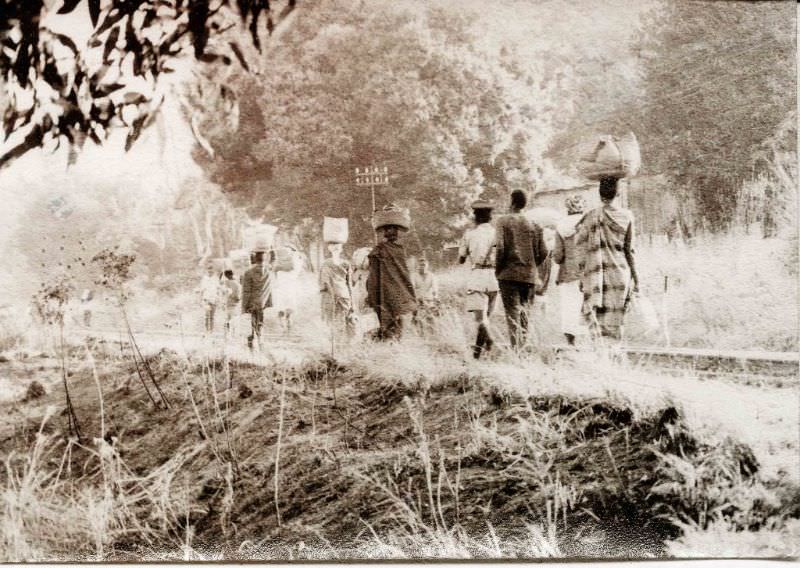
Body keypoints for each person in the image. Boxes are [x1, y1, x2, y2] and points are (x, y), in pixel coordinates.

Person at [575, 177, 639, 342]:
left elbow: (580, 247)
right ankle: (615, 357)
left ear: (599, 194)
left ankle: (600, 357)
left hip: (595, 275)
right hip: (619, 275)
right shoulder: (627, 216)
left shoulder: (591, 217)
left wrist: (582, 275)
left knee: (596, 320)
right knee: (616, 321)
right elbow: (630, 251)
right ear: (618, 193)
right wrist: (636, 279)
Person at [494, 189, 548, 350]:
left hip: (509, 275)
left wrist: (498, 269)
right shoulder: (535, 225)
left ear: (512, 201)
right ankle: (522, 349)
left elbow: (501, 248)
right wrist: (532, 264)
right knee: (525, 314)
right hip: (529, 276)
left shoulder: (502, 221)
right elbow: (544, 252)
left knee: (512, 314)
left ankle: (516, 352)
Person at [367, 205, 417, 341]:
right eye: (388, 229)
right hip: (394, 292)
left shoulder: (383, 250)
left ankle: (390, 343)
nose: (390, 232)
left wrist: (372, 296)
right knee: (395, 323)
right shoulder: (383, 250)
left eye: (392, 229)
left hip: (389, 293)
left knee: (392, 323)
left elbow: (402, 274)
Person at [458, 200, 499, 359]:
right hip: (494, 278)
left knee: (480, 320)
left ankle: (490, 342)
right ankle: (476, 354)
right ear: (490, 217)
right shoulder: (497, 234)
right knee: (486, 320)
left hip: (477, 278)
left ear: (475, 217)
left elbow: (461, 259)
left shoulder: (469, 235)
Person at [553, 195, 587, 346]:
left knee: (569, 308)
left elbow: (558, 257)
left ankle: (571, 343)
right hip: (588, 272)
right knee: (588, 307)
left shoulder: (560, 227)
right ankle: (590, 341)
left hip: (568, 274)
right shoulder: (588, 224)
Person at [319, 242, 356, 340]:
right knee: (342, 321)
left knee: (333, 323)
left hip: (332, 297)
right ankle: (341, 346)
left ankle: (338, 345)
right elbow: (349, 284)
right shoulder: (345, 263)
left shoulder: (326, 264)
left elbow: (324, 283)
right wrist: (352, 304)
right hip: (344, 295)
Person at [241, 250, 274, 349]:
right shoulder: (269, 272)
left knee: (250, 324)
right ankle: (260, 343)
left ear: (255, 259)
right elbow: (273, 261)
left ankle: (252, 345)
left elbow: (246, 291)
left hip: (251, 303)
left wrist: (244, 306)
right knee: (260, 323)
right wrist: (272, 251)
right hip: (262, 303)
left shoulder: (248, 273)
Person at [411, 257, 439, 333]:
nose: (422, 267)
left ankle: (432, 333)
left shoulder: (432, 276)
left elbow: (435, 288)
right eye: (420, 265)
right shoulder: (414, 276)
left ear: (427, 266)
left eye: (424, 265)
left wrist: (435, 297)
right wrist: (416, 298)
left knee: (430, 317)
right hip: (418, 299)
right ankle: (419, 333)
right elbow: (412, 288)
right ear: (418, 266)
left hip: (429, 299)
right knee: (417, 317)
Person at [198, 265, 221, 334]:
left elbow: (218, 289)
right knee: (206, 315)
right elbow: (201, 290)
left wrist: (218, 298)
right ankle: (206, 330)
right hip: (206, 299)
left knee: (212, 316)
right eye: (209, 270)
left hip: (214, 299)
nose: (210, 272)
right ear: (207, 271)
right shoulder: (204, 279)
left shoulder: (216, 279)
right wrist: (200, 299)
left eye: (211, 271)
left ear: (213, 271)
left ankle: (211, 330)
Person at [220, 269, 241, 335]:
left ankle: (226, 334)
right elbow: (238, 297)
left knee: (227, 320)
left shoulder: (225, 283)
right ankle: (233, 334)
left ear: (226, 276)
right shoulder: (237, 284)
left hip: (227, 304)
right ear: (232, 274)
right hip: (235, 305)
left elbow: (222, 292)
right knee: (234, 320)